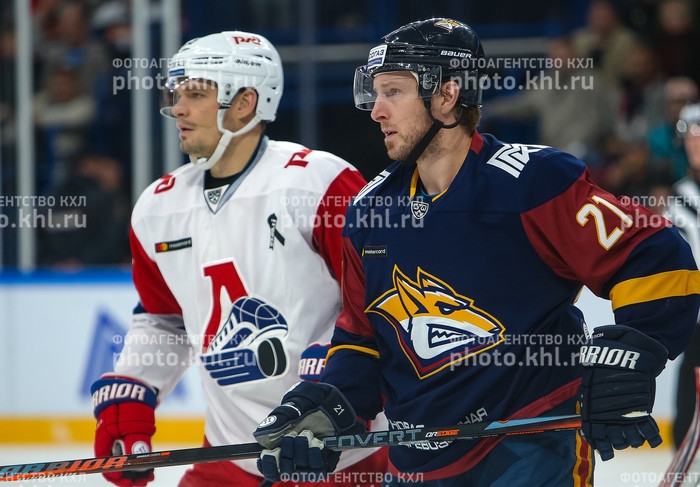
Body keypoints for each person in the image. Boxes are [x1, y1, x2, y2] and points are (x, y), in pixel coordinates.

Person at [253, 18, 700, 486]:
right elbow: (364, 339)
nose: (376, 110)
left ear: (447, 96)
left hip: (529, 444)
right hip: (416, 464)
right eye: (374, 92)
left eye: (393, 92)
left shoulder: (532, 183)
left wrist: (632, 348)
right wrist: (329, 402)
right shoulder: (368, 213)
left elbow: (656, 254)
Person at [89, 31, 387, 487]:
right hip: (230, 453)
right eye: (178, 94)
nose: (179, 109)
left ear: (245, 102)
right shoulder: (157, 207)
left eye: (196, 93)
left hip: (340, 453)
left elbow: (377, 297)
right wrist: (133, 391)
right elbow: (163, 317)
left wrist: (334, 381)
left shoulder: (316, 182)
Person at [663, 103, 700, 448]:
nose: (694, 143)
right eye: (690, 137)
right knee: (691, 381)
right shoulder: (680, 196)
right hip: (698, 319)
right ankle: (685, 456)